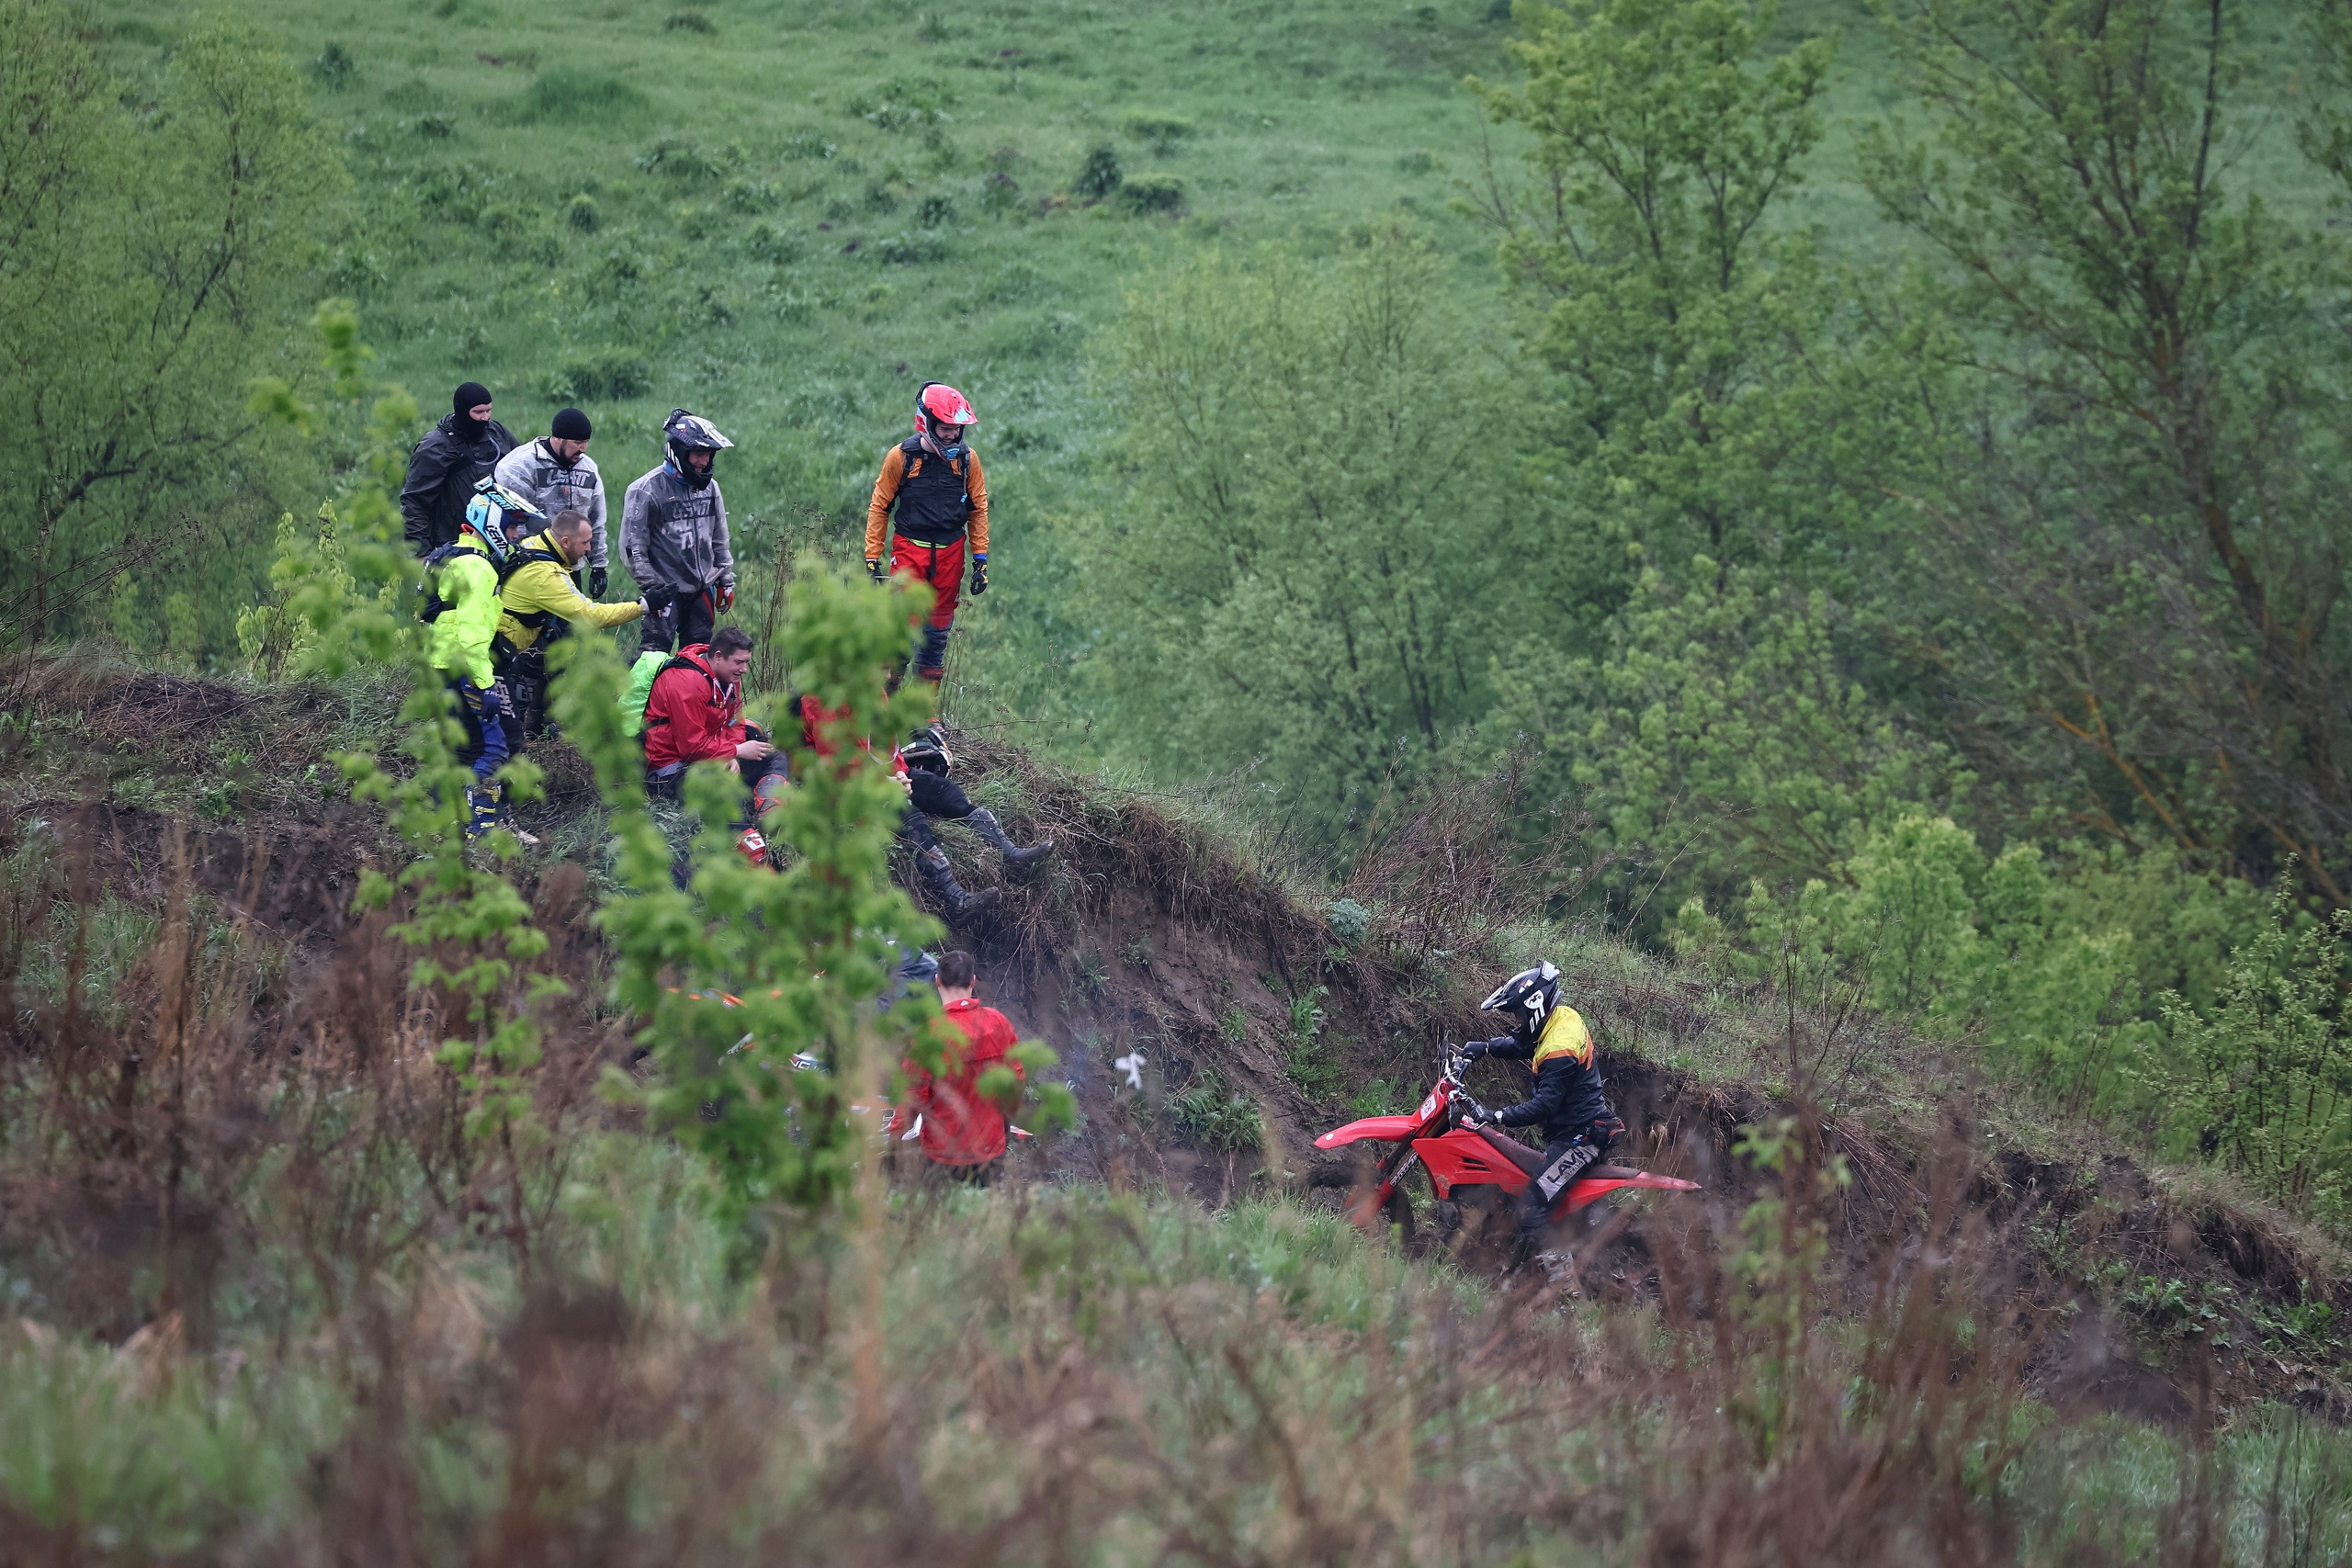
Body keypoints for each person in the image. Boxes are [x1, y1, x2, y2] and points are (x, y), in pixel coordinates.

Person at [797, 703, 1028, 923]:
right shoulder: (824, 696)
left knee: (945, 792)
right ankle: (956, 902)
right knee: (909, 816)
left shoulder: (874, 689)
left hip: (879, 776)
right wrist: (883, 783)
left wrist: (899, 773)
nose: (888, 676)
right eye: (884, 668)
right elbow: (835, 762)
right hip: (840, 788)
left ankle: (1008, 853)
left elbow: (887, 746)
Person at [1459, 962, 1626, 1257]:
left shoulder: (1558, 1050)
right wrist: (1485, 1047)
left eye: (1520, 1015)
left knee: (1531, 1207)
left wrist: (1494, 1116)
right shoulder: (1561, 1017)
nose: (1518, 1021)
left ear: (1535, 1006)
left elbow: (1543, 1106)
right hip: (1577, 1129)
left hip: (1582, 1138)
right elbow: (1526, 1043)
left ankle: (1561, 1286)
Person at [423, 479, 546, 837]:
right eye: (511, 526)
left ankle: (444, 823)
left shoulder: (446, 553)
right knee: (495, 748)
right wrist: (487, 683)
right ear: (490, 521)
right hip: (467, 667)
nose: (515, 536)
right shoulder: (479, 568)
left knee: (458, 747)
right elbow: (472, 633)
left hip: (440, 665)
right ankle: (484, 828)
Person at [864, 382, 989, 684]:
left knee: (936, 638)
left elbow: (978, 509)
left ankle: (926, 715)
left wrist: (980, 559)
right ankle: (886, 707)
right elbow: (879, 507)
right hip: (910, 551)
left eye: (956, 429)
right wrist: (871, 557)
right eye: (945, 428)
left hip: (951, 553)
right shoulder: (901, 457)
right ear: (927, 423)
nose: (952, 435)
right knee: (900, 634)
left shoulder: (968, 460)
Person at [492, 508, 646, 739]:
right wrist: (642, 606)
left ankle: (534, 732)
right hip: (497, 654)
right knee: (507, 736)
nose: (589, 549)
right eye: (585, 542)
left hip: (502, 644)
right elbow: (592, 615)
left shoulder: (535, 544)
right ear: (565, 542)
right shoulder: (545, 575)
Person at [640, 626, 787, 866]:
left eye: (747, 662)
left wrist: (730, 752)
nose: (744, 669)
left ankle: (770, 810)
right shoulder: (686, 682)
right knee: (723, 786)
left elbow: (735, 724)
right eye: (739, 662)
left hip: (710, 755)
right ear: (718, 656)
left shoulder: (728, 677)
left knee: (772, 755)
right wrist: (735, 752)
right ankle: (752, 852)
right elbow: (691, 747)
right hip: (670, 769)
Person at [893, 949, 1023, 1182]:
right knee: (985, 1216)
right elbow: (1015, 1080)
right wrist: (1002, 1122)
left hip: (943, 1156)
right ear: (973, 981)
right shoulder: (998, 1023)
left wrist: (895, 1137)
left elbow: (911, 1096)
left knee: (947, 1216)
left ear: (937, 981)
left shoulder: (929, 1034)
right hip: (989, 1152)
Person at [623, 409, 737, 655]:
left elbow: (720, 538)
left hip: (701, 589)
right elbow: (633, 548)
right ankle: (633, 695)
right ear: (679, 452)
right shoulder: (646, 490)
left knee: (698, 657)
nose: (703, 462)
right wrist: (653, 588)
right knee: (653, 657)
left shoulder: (710, 488)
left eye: (707, 455)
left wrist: (726, 580)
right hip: (664, 589)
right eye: (698, 454)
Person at [492, 408, 609, 594]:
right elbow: (513, 522)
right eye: (577, 442)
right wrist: (522, 560)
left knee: (572, 622)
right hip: (529, 566)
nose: (583, 449)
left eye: (586, 442)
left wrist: (598, 565)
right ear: (557, 438)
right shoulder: (520, 466)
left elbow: (595, 521)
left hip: (570, 568)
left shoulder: (588, 469)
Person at [402, 381, 518, 557]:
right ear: (463, 411)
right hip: (452, 547)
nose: (485, 418)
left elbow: (520, 471)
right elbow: (415, 503)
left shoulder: (498, 434)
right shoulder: (435, 448)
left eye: (488, 410)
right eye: (478, 412)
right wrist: (422, 554)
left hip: (500, 544)